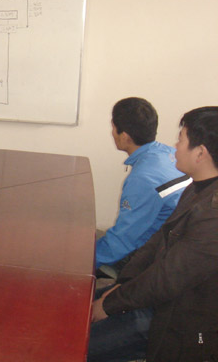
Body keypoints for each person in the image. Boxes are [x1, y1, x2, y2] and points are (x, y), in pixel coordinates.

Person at [89, 106, 218, 362]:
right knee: (81, 303)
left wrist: (111, 304)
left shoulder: (212, 215)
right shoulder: (198, 186)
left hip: (176, 316)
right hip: (156, 291)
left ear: (200, 153)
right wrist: (123, 284)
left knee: (77, 344)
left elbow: (168, 278)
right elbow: (159, 238)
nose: (175, 147)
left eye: (181, 140)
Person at [95, 98, 190, 275]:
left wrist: (83, 263)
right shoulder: (169, 153)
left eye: (113, 128)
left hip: (153, 257)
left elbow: (122, 241)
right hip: (174, 244)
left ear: (124, 136)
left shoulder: (143, 180)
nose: (112, 133)